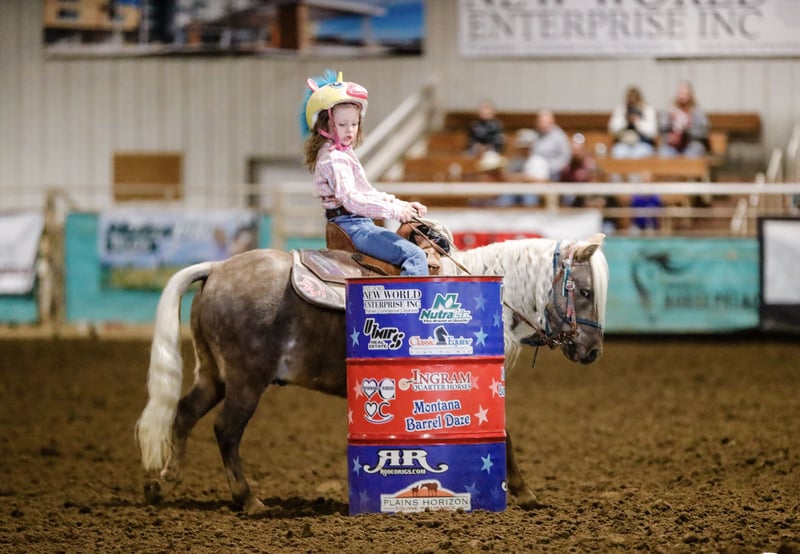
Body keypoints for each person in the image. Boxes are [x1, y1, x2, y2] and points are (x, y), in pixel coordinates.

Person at [302, 70, 429, 276]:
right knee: (415, 256)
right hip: (355, 228)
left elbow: (366, 192)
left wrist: (401, 205)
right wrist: (394, 212)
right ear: (326, 125)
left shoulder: (343, 154)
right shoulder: (334, 159)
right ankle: (408, 298)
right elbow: (352, 200)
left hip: (357, 223)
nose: (350, 130)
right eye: (342, 124)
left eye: (354, 124)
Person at [658, 80, 710, 158]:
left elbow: (704, 132)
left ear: (690, 95)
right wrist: (670, 120)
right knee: (664, 153)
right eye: (681, 93)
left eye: (685, 94)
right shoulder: (670, 109)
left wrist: (688, 128)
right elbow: (661, 128)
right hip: (672, 145)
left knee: (692, 154)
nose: (683, 96)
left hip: (691, 144)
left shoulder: (697, 111)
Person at [608, 86, 657, 159]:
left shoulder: (647, 109)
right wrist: (625, 120)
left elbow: (652, 132)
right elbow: (613, 130)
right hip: (623, 144)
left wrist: (637, 122)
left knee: (639, 154)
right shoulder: (621, 109)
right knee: (618, 152)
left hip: (642, 144)